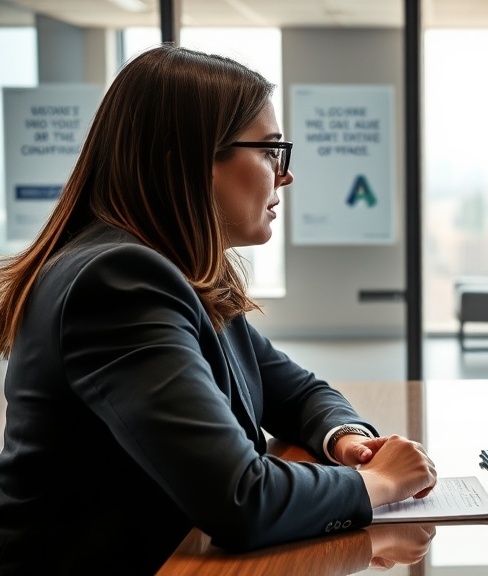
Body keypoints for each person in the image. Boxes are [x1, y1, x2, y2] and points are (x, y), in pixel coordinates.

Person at [0, 44, 436, 575]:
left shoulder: (181, 271)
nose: (285, 174)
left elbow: (295, 391)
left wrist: (346, 440)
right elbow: (240, 499)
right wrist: (381, 483)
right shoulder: (119, 283)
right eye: (270, 150)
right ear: (186, 162)